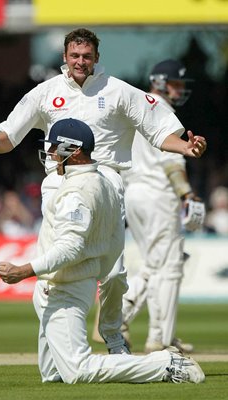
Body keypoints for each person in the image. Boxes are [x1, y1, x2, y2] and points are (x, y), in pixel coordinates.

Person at [0, 28, 207, 354]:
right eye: (74, 55)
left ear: (97, 58)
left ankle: (114, 336)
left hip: (108, 183)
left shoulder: (118, 91)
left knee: (114, 274)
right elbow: (8, 137)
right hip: (60, 183)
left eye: (86, 56)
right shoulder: (45, 92)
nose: (80, 62)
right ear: (64, 56)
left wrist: (186, 148)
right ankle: (52, 352)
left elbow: (159, 130)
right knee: (54, 269)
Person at [0, 118, 205, 384]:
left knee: (78, 370)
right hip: (67, 284)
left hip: (65, 288)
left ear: (75, 151)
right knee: (52, 374)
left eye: (55, 148)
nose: (49, 154)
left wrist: (24, 270)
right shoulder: (107, 181)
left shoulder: (78, 192)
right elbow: (114, 242)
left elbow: (71, 248)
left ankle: (164, 365)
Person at [120, 59, 206, 353]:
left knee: (154, 264)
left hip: (133, 193)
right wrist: (188, 195)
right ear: (158, 82)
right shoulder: (163, 111)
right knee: (169, 267)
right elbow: (172, 164)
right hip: (158, 195)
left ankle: (122, 317)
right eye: (176, 83)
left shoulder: (135, 109)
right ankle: (160, 339)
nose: (180, 90)